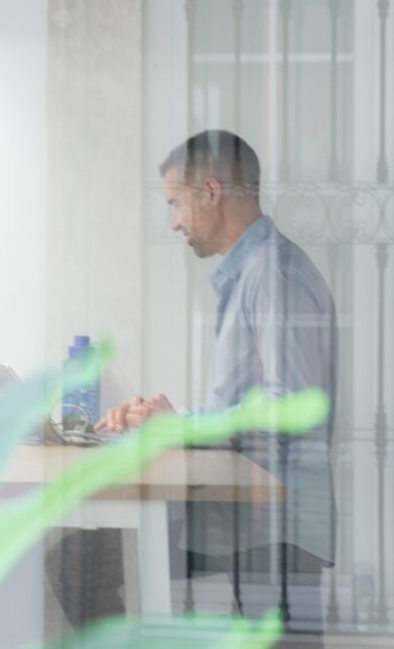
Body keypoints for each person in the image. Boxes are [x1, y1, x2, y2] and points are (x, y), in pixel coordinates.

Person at [96, 130, 337, 633]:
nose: (175, 222)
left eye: (176, 204)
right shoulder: (250, 273)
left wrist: (181, 425)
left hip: (278, 530)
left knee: (92, 562)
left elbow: (289, 405)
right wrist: (168, 419)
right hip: (251, 521)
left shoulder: (274, 274)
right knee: (95, 561)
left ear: (210, 192)